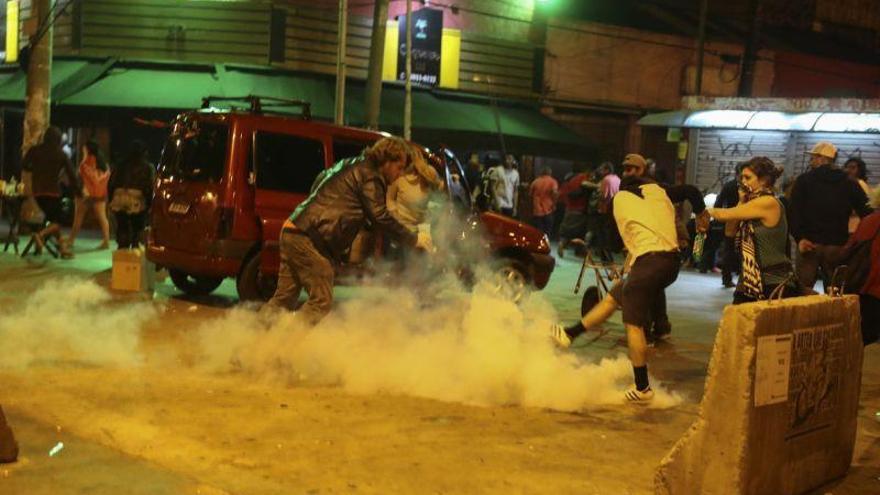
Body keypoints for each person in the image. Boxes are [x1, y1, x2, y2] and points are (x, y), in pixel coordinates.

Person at [548, 153, 707, 403]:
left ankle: (642, 388)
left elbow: (620, 241)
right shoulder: (657, 190)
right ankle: (570, 334)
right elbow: (691, 191)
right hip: (668, 262)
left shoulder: (620, 201)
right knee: (613, 297)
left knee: (633, 324)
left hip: (652, 261)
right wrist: (702, 214)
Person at [264, 136, 432, 325]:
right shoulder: (370, 175)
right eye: (399, 167)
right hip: (308, 238)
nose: (400, 174)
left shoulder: (351, 163)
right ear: (386, 160)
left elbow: (319, 181)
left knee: (283, 299)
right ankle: (283, 341)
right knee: (321, 302)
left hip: (292, 229)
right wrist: (413, 239)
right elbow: (379, 216)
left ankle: (254, 341)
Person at [707, 157, 798, 303]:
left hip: (772, 281)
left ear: (763, 180)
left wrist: (702, 211)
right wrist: (741, 200)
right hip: (750, 280)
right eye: (742, 177)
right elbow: (729, 232)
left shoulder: (768, 202)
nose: (743, 181)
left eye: (748, 177)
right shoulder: (749, 204)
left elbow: (725, 214)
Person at [789, 141, 872, 292]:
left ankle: (808, 316)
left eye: (813, 158)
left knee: (803, 290)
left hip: (809, 245)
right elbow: (868, 213)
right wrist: (854, 241)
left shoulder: (804, 180)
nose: (811, 161)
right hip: (837, 246)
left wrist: (800, 237)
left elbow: (794, 212)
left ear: (821, 158)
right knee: (835, 290)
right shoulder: (850, 182)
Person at [20, 126, 78, 258]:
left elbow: (24, 165)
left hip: (37, 192)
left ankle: (62, 250)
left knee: (52, 220)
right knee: (58, 222)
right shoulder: (61, 154)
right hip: (53, 192)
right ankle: (40, 235)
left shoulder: (35, 150)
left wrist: (34, 169)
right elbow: (72, 175)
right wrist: (77, 190)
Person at [841, 186, 880, 345]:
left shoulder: (868, 220)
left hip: (862, 285)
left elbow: (850, 248)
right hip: (875, 287)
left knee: (862, 336)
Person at [108, 140, 155, 249]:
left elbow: (111, 183)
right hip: (137, 199)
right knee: (137, 225)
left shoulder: (120, 164)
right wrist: (149, 204)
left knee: (122, 224)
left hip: (118, 196)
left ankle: (122, 247)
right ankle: (134, 245)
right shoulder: (147, 167)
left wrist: (111, 199)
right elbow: (149, 186)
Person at [387, 147, 444, 233]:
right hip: (400, 230)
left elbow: (440, 187)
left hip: (420, 229)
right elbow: (389, 199)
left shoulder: (427, 173)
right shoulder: (397, 177)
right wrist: (395, 215)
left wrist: (452, 179)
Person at [69, 140, 111, 249]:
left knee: (78, 218)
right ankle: (106, 241)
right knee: (103, 218)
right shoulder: (104, 164)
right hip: (100, 195)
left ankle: (71, 240)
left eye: (84, 148)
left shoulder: (85, 164)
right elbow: (104, 178)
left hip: (86, 195)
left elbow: (85, 179)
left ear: (87, 149)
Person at [714, 165, 745, 288]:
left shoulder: (729, 185)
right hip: (735, 222)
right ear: (738, 174)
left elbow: (718, 204)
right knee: (732, 252)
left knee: (731, 251)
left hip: (734, 222)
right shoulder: (738, 187)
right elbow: (718, 204)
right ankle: (730, 279)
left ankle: (728, 279)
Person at [556, 165, 591, 257]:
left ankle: (562, 243)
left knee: (567, 230)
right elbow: (585, 184)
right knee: (580, 232)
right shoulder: (584, 178)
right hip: (580, 209)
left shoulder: (571, 179)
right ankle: (579, 251)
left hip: (569, 208)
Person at [844, 157, 872, 234]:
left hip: (856, 226)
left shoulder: (860, 184)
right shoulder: (847, 184)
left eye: (853, 168)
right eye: (846, 167)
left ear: (860, 171)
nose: (848, 170)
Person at [529, 167, 559, 237]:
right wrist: (554, 204)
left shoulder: (535, 181)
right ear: (550, 173)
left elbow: (530, 195)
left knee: (538, 231)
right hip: (548, 209)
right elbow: (555, 193)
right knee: (547, 230)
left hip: (537, 210)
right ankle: (545, 244)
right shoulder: (553, 181)